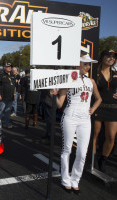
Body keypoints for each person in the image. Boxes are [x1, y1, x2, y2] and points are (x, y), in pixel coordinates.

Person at [55, 54, 102, 194]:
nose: (88, 67)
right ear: (77, 64)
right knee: (67, 150)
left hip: (85, 119)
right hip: (70, 116)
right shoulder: (68, 80)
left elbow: (99, 98)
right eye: (85, 63)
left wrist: (93, 109)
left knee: (82, 153)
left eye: (89, 64)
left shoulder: (91, 81)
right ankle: (65, 180)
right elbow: (59, 104)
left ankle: (75, 180)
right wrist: (53, 94)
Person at [93, 49, 117, 172]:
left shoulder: (116, 73)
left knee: (111, 137)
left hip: (113, 109)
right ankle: (91, 161)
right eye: (109, 56)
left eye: (114, 57)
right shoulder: (94, 72)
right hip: (98, 108)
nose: (111, 58)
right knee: (94, 135)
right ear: (102, 57)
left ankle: (103, 160)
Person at [0, 63, 16, 129]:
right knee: (0, 110)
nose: (9, 68)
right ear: (4, 67)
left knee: (8, 111)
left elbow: (14, 86)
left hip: (10, 97)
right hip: (3, 97)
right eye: (8, 67)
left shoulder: (13, 75)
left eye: (10, 66)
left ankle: (6, 123)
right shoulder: (0, 75)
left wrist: (14, 94)